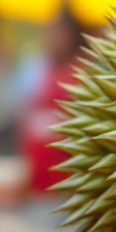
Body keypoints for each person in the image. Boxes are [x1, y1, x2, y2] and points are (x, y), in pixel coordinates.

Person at [20, 11, 85, 193]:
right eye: (51, 32)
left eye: (61, 33)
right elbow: (26, 108)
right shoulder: (37, 66)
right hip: (38, 154)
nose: (55, 38)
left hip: (68, 154)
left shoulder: (83, 69)